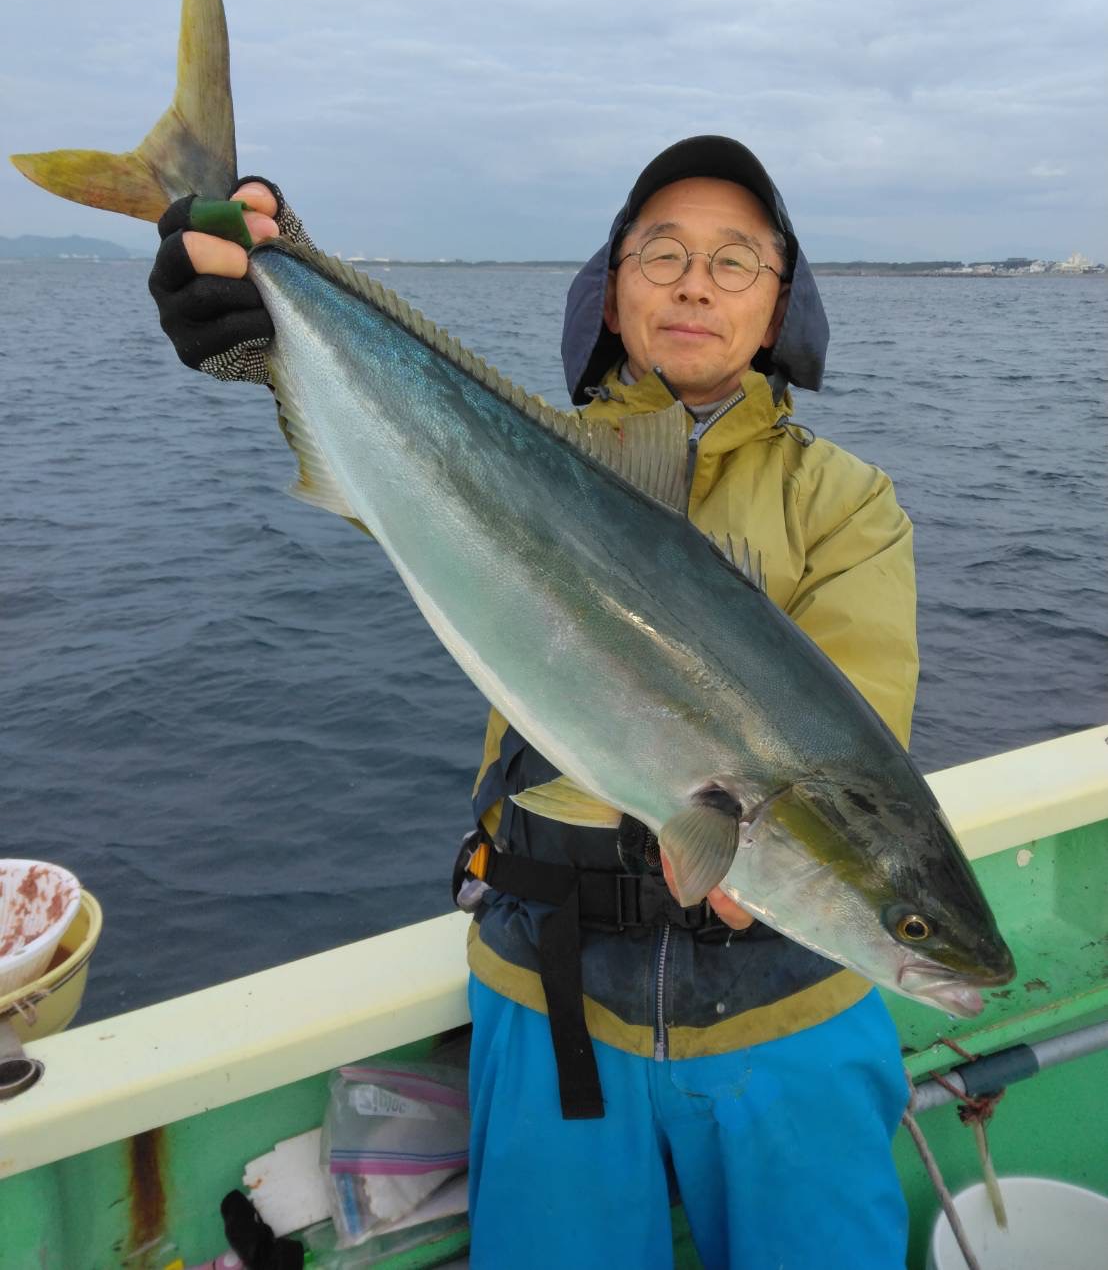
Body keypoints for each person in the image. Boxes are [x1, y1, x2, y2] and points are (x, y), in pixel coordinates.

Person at [149, 136, 917, 1270]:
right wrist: (265, 319)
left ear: (778, 305)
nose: (695, 284)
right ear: (610, 291)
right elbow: (389, 450)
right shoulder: (529, 449)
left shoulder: (844, 501)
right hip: (550, 1000)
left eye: (735, 261)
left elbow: (854, 763)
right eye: (661, 253)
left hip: (788, 1015)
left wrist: (766, 865)